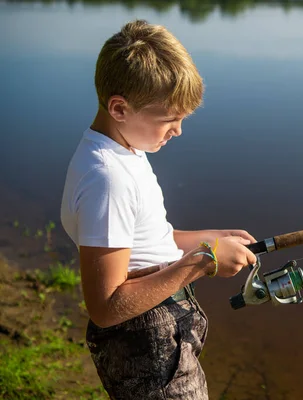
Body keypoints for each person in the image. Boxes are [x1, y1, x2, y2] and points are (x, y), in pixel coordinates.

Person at [60, 20, 257, 399]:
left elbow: (148, 240)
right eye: (170, 119)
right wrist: (204, 261)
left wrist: (208, 239)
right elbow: (106, 306)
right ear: (120, 107)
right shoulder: (107, 178)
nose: (178, 131)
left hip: (161, 333)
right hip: (145, 345)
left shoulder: (126, 151)